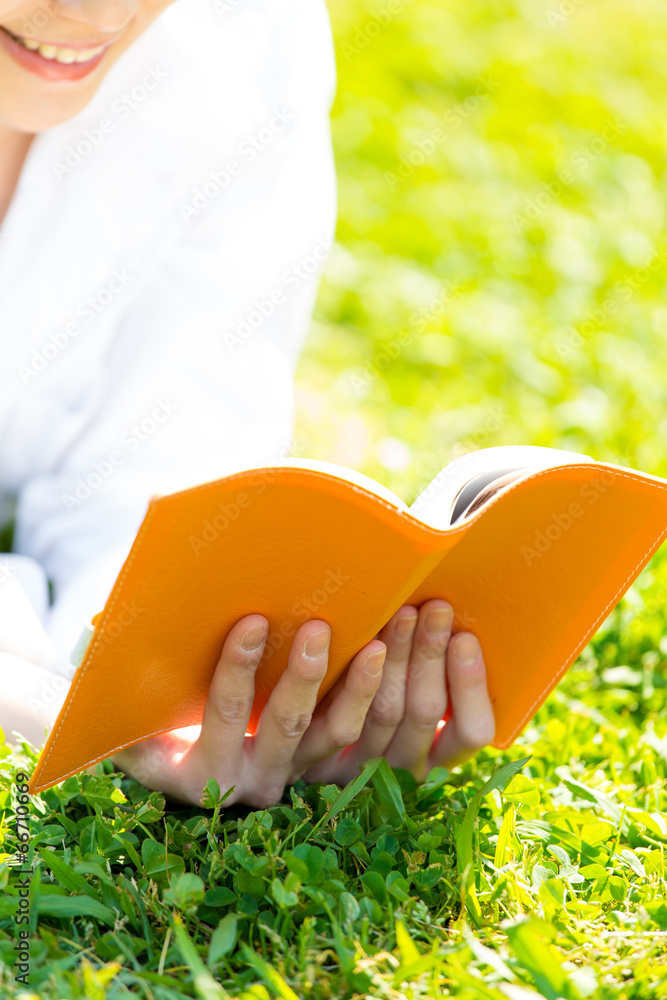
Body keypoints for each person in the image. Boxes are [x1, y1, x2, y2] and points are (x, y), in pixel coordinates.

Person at [0, 0, 495, 808]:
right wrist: (44, 706)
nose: (100, 10)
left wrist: (184, 680)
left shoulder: (245, 31)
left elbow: (163, 455)